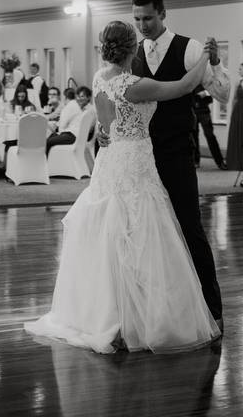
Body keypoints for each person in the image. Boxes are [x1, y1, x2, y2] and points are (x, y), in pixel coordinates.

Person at [25, 20, 221, 353]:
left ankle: (107, 313)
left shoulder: (101, 78)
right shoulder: (135, 84)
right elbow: (185, 86)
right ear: (133, 48)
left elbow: (105, 122)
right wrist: (205, 55)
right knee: (139, 232)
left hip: (110, 158)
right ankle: (135, 318)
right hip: (134, 162)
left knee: (109, 233)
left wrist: (105, 132)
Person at [127, 0, 228, 331]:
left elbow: (222, 92)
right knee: (147, 231)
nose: (142, 25)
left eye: (148, 18)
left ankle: (212, 308)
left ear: (163, 13)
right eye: (137, 18)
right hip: (141, 155)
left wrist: (213, 63)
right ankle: (158, 306)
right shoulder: (134, 52)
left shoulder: (190, 49)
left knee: (189, 227)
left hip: (176, 152)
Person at [225, 62, 243, 172]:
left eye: (240, 69)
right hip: (238, 111)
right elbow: (234, 98)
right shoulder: (238, 82)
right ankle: (235, 163)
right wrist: (232, 113)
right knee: (236, 134)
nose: (239, 71)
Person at [45, 86, 91, 155]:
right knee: (52, 137)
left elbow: (61, 126)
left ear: (65, 97)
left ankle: (48, 163)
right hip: (79, 136)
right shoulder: (81, 107)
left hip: (72, 135)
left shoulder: (70, 106)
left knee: (47, 141)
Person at [192, 88, 227, 169]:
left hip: (204, 110)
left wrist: (206, 92)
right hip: (192, 109)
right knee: (193, 136)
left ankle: (220, 162)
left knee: (210, 136)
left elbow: (213, 89)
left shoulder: (205, 77)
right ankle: (195, 161)